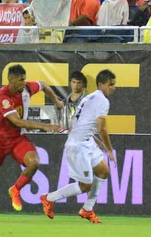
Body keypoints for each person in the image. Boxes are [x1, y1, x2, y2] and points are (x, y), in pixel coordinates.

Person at [0, 64, 64, 221]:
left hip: (16, 139)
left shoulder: (27, 89)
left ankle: (15, 189)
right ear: (11, 80)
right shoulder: (3, 96)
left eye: (25, 79)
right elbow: (17, 121)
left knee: (34, 162)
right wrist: (45, 126)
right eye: (21, 80)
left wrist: (56, 101)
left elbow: (43, 84)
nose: (24, 83)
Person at [40, 69, 116, 224]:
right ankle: (48, 198)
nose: (113, 88)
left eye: (114, 85)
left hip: (87, 141)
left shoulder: (90, 98)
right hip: (78, 146)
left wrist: (97, 142)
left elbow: (81, 125)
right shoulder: (102, 100)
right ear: (100, 84)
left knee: (103, 171)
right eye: (110, 85)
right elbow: (102, 128)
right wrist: (108, 149)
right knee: (85, 185)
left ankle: (87, 210)